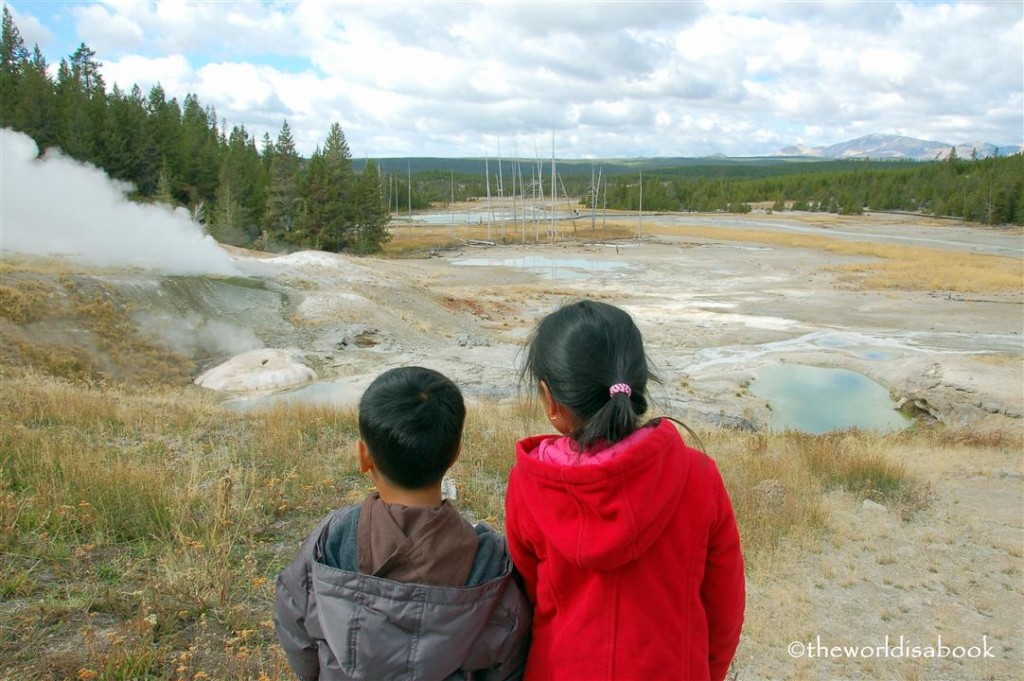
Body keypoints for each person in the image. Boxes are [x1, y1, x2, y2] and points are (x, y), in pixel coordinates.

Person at [504, 300, 745, 681]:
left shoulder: (530, 484)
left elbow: (528, 599)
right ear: (637, 382)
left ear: (550, 400)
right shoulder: (700, 477)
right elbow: (724, 609)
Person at [275, 366, 531, 681]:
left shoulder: (335, 536)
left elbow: (294, 619)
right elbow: (509, 660)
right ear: (456, 453)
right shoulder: (491, 560)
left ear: (363, 456)